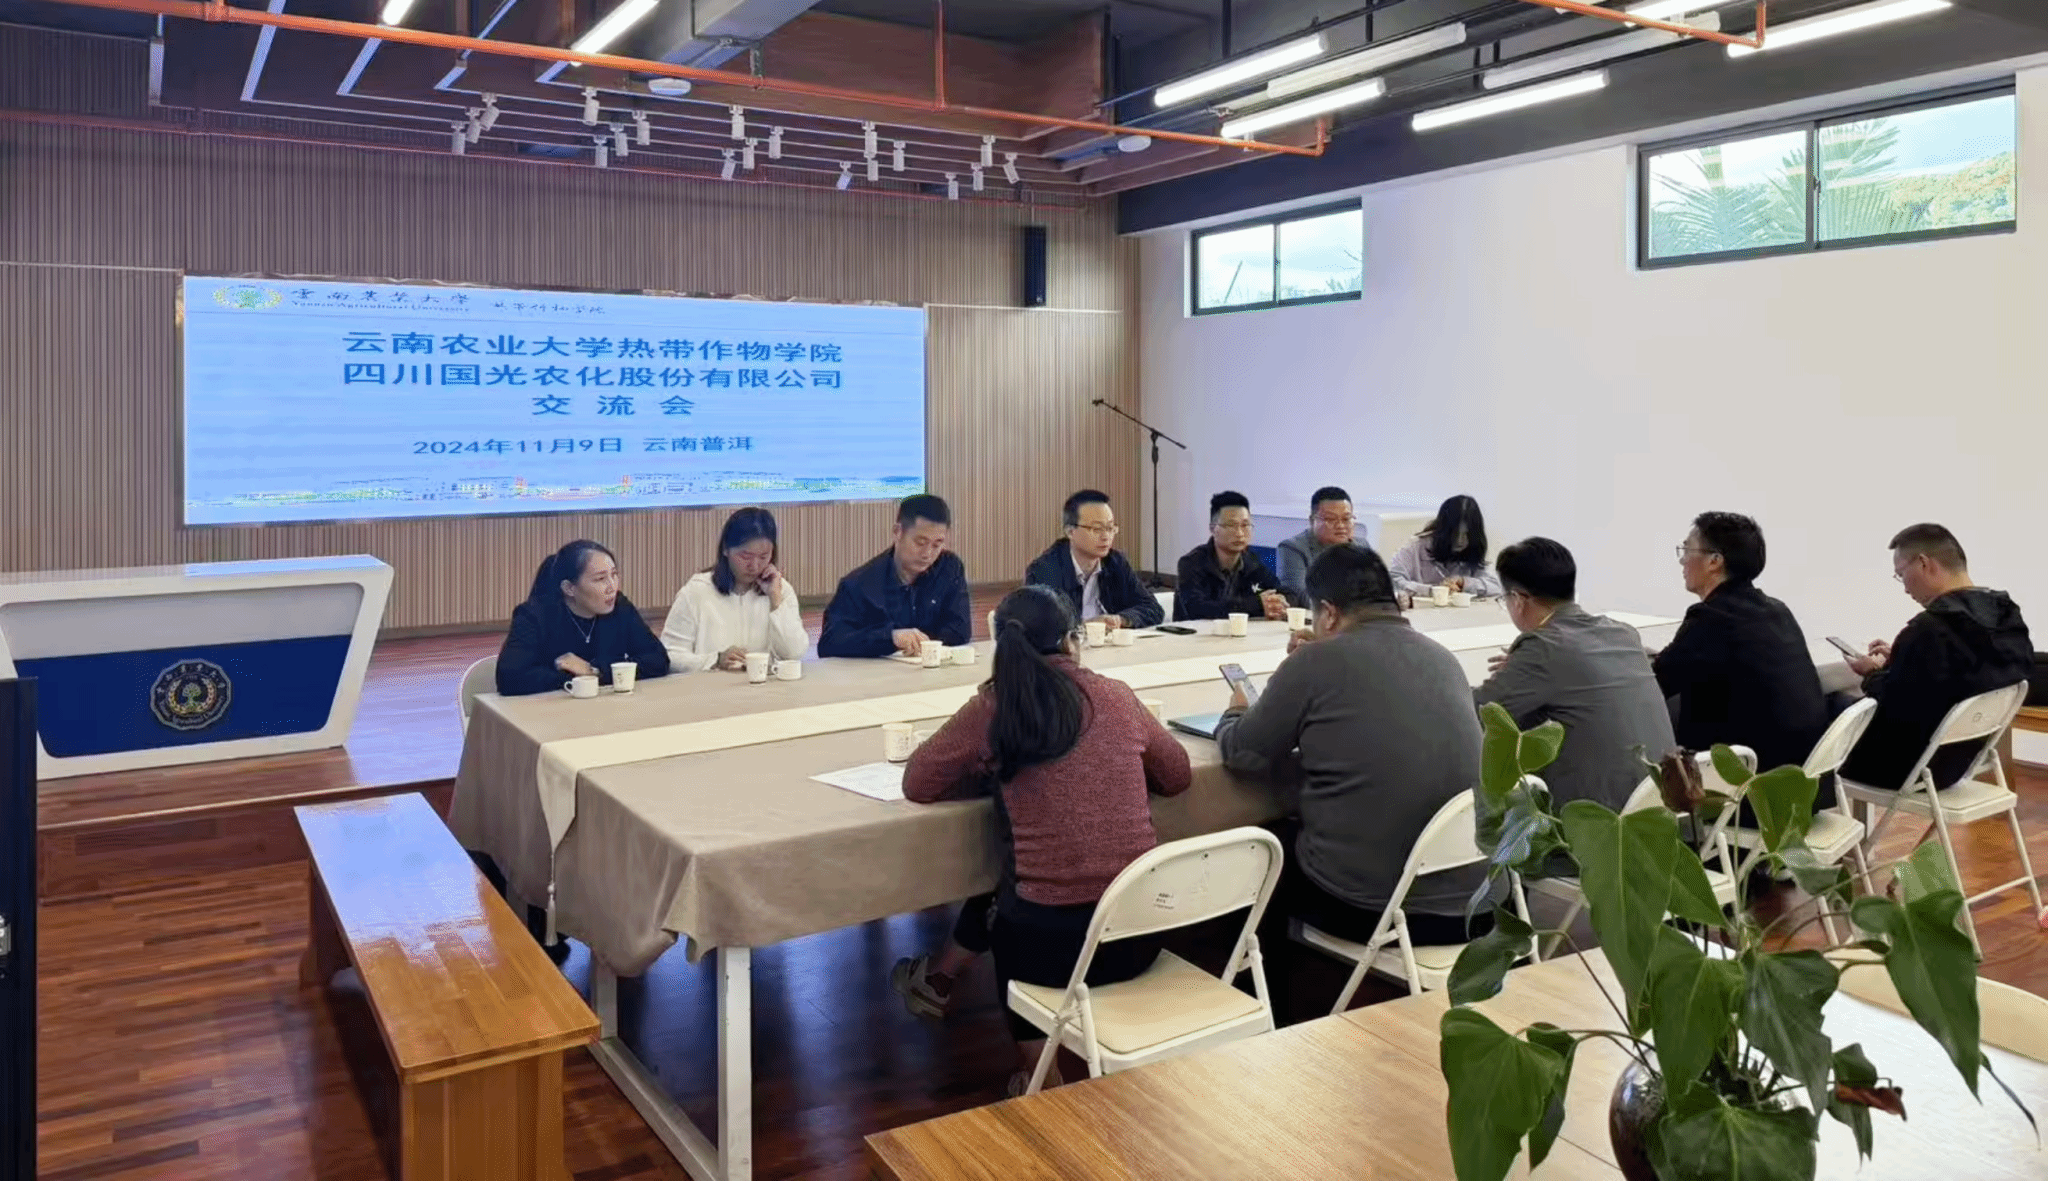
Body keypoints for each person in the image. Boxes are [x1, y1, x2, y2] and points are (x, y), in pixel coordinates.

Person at [889, 585, 1192, 1093]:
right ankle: (955, 992)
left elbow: (918, 782)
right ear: (1073, 640)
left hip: (1046, 950)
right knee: (1034, 866)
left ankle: (1041, 1076)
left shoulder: (995, 706)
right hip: (1137, 934)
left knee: (1020, 880)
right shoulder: (1116, 696)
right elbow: (1177, 776)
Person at [1215, 545, 1489, 1024]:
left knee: (1261, 853)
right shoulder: (1442, 659)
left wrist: (1237, 709)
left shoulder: (1315, 663)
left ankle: (1267, 1021)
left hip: (1378, 908)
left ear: (1327, 613)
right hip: (1476, 900)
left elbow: (1244, 753)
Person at [1475, 538, 1673, 812]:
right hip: (1661, 807)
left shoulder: (1543, 647)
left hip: (1594, 819)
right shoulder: (1623, 633)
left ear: (1518, 600)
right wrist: (1523, 666)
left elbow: (1477, 712)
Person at [1840, 524, 2032, 792]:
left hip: (1905, 770)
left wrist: (1871, 673)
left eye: (1901, 574)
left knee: (1834, 707)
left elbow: (1894, 704)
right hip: (1960, 763)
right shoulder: (2007, 615)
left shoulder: (1929, 629)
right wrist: (1902, 657)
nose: (1904, 588)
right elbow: (1960, 676)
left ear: (1923, 563)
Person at [1652, 512, 1829, 785]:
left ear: (1714, 561)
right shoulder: (1777, 610)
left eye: (1687, 549)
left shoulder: (1711, 618)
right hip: (1804, 781)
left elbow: (1655, 684)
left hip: (1749, 786)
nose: (1682, 560)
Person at [495, 539, 670, 696]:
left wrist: (593, 672)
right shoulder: (535, 615)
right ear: (569, 588)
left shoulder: (620, 607)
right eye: (600, 579)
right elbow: (510, 678)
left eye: (614, 575)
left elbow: (658, 659)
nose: (612, 587)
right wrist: (573, 678)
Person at [818, 494, 972, 658]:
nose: (927, 554)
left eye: (937, 545)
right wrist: (890, 638)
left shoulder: (949, 567)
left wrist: (923, 643)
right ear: (897, 532)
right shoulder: (859, 584)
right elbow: (830, 643)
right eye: (920, 543)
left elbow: (960, 630)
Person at [660, 507, 807, 673]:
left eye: (763, 557)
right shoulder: (696, 591)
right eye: (745, 556)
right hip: (708, 687)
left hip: (766, 687)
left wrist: (776, 602)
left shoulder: (780, 589)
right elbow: (670, 657)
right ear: (726, 549)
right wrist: (714, 660)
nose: (754, 566)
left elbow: (794, 654)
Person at [1023, 489, 1164, 630]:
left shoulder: (1115, 562)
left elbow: (1153, 608)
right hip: (1073, 644)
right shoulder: (1044, 570)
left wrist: (1122, 619)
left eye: (1110, 528)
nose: (1106, 536)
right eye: (1097, 529)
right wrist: (1087, 627)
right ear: (1070, 532)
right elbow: (1041, 627)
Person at [1173, 491, 1302, 622]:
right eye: (1231, 525)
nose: (1240, 533)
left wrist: (1279, 602)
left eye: (1245, 525)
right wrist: (1257, 604)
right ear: (1213, 529)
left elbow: (1287, 593)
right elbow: (1198, 609)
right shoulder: (1191, 563)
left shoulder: (1251, 562)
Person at [1390, 494, 1502, 599]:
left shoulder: (1473, 550)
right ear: (1442, 531)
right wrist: (1430, 591)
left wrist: (1464, 583)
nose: (1459, 541)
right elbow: (1392, 581)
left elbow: (1498, 586)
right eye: (1455, 534)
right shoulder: (1415, 547)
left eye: (1466, 535)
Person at [1276, 486, 1365, 603]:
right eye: (1331, 519)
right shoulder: (1293, 548)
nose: (1341, 526)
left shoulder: (1361, 546)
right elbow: (1301, 598)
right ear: (1312, 521)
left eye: (1346, 519)